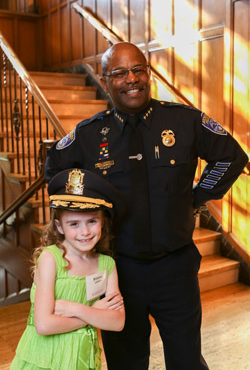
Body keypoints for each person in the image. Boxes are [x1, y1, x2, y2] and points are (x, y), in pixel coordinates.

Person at [44, 42, 249, 370]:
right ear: (105, 79)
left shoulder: (183, 121)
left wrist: (196, 196)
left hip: (176, 269)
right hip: (117, 273)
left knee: (186, 361)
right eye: (120, 72)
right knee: (126, 362)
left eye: (139, 69)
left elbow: (232, 156)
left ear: (148, 74)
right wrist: (87, 220)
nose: (132, 79)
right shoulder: (89, 135)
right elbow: (55, 172)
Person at [11, 168, 125, 370]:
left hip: (82, 357)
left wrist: (76, 309)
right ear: (60, 226)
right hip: (45, 357)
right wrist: (95, 314)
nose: (85, 232)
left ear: (102, 222)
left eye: (92, 221)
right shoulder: (50, 259)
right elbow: (44, 325)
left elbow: (117, 322)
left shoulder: (107, 265)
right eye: (74, 224)